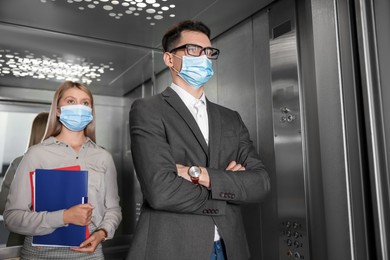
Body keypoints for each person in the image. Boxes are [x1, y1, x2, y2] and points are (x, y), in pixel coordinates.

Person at [127, 20, 270, 260]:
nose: (203, 57)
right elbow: (160, 191)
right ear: (169, 59)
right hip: (175, 247)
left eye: (208, 52)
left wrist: (199, 174)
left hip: (230, 247)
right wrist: (229, 187)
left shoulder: (230, 118)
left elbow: (261, 183)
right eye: (193, 49)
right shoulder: (148, 110)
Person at [4, 81, 122, 259]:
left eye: (85, 103)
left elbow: (113, 209)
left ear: (91, 112)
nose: (79, 108)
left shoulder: (103, 157)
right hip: (41, 255)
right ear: (58, 110)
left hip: (90, 254)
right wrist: (64, 217)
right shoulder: (36, 155)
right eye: (70, 101)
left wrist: (102, 232)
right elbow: (12, 218)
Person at [0, 112, 49, 246]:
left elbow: (3, 205)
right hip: (54, 238)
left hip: (19, 238)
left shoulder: (19, 162)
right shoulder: (67, 165)